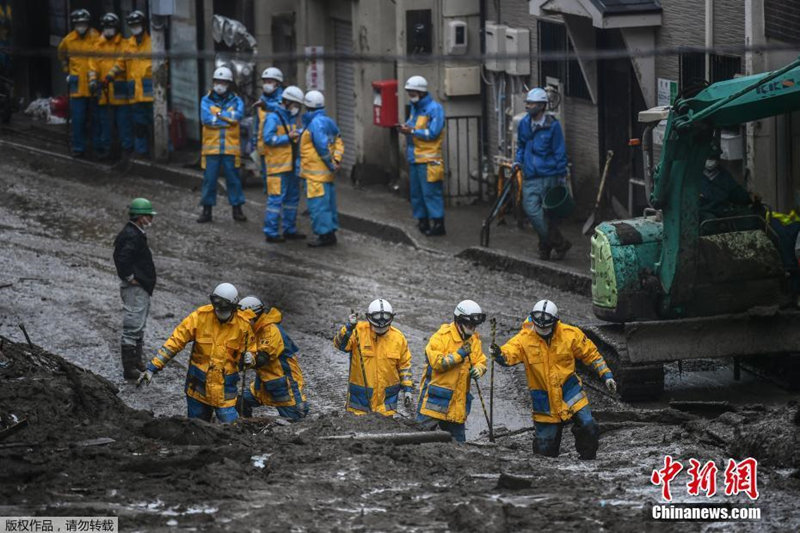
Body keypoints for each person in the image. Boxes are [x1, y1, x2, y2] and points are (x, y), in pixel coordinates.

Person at [490, 299, 616, 459]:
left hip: (570, 392)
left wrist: (606, 375)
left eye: (547, 327)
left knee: (588, 427)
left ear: (555, 323)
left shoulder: (570, 335)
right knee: (545, 451)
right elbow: (509, 353)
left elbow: (591, 354)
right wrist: (499, 354)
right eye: (539, 327)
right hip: (544, 400)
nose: (542, 330)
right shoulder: (524, 339)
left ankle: (588, 459)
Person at [137, 283, 257, 424]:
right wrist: (152, 367)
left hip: (224, 392)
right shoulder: (200, 317)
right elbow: (175, 341)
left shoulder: (243, 326)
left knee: (231, 428)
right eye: (216, 306)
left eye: (223, 309)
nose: (218, 311)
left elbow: (250, 350)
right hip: (198, 388)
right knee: (196, 427)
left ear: (233, 307)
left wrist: (250, 357)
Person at [416, 300, 487, 442]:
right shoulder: (441, 337)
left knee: (459, 445)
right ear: (459, 321)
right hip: (434, 404)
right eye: (469, 324)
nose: (472, 328)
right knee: (419, 439)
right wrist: (459, 355)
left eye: (474, 325)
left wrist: (479, 370)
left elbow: (481, 361)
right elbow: (437, 363)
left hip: (457, 406)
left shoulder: (474, 341)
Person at [514, 88, 571, 260]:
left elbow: (559, 151)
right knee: (531, 210)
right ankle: (559, 242)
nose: (527, 106)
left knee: (548, 215)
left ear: (541, 106)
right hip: (530, 175)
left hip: (549, 175)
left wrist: (562, 175)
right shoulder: (524, 123)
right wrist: (518, 161)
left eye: (531, 103)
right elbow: (521, 145)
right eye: (527, 103)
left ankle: (544, 248)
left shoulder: (553, 126)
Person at [333, 299, 413, 416]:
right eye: (376, 328)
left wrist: (408, 390)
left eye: (383, 329)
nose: (380, 331)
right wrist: (348, 328)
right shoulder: (357, 331)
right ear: (369, 319)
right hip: (360, 402)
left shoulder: (398, 338)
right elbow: (339, 345)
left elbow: (404, 366)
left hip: (386, 403)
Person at [239, 296, 309, 420]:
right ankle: (245, 429)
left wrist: (246, 362)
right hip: (263, 384)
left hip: (284, 385)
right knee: (239, 402)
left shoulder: (271, 331)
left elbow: (262, 358)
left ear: (254, 316)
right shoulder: (254, 330)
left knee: (296, 419)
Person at [113, 198, 156, 380]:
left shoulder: (134, 232)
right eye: (148, 216)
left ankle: (136, 360)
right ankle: (129, 367)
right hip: (135, 289)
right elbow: (122, 258)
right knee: (132, 325)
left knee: (139, 324)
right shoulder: (132, 235)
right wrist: (130, 277)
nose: (151, 219)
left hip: (141, 287)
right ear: (140, 217)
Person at [197, 66, 247, 223]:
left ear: (229, 84)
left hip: (230, 149)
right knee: (209, 180)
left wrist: (218, 115)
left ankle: (237, 209)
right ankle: (207, 210)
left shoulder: (237, 100)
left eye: (223, 82)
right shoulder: (206, 100)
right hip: (211, 148)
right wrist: (227, 119)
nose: (219, 85)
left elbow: (237, 117)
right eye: (217, 81)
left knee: (233, 180)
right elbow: (206, 120)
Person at [399, 75, 446, 237]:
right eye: (409, 92)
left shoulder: (435, 109)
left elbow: (433, 133)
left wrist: (411, 131)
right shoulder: (415, 108)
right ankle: (423, 220)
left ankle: (438, 223)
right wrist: (406, 127)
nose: (410, 95)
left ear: (421, 92)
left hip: (429, 160)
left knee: (431, 193)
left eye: (413, 92)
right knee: (417, 193)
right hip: (415, 157)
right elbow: (413, 125)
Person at [298, 90, 344, 247]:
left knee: (318, 207)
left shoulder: (314, 124)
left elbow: (321, 147)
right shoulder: (328, 121)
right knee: (328, 205)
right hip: (326, 175)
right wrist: (336, 160)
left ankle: (324, 236)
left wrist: (330, 163)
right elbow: (338, 141)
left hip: (315, 176)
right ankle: (330, 233)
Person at [262, 85, 305, 242]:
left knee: (292, 199)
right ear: (286, 102)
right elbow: (268, 139)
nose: (297, 108)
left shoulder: (291, 118)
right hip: (277, 166)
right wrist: (288, 137)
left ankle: (289, 229)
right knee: (276, 200)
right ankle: (271, 232)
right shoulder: (273, 118)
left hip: (291, 165)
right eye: (295, 105)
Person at [57, 9, 99, 158]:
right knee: (78, 118)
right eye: (79, 23)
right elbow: (61, 54)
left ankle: (97, 147)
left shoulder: (95, 37)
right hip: (76, 83)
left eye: (84, 23)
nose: (81, 26)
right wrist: (67, 70)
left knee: (96, 118)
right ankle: (78, 147)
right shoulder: (68, 40)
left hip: (92, 82)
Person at [88, 13, 130, 161]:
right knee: (105, 122)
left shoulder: (124, 44)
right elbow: (92, 65)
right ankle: (107, 151)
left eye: (111, 27)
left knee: (123, 122)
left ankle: (126, 151)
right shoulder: (97, 46)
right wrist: (93, 81)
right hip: (103, 90)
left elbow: (122, 62)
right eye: (106, 27)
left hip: (118, 88)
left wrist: (110, 76)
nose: (109, 30)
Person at [116, 10, 152, 159]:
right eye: (132, 25)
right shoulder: (128, 45)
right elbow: (120, 64)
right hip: (135, 91)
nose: (135, 28)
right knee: (139, 125)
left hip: (150, 90)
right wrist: (108, 77)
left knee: (155, 121)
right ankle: (141, 151)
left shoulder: (152, 43)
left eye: (137, 25)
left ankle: (163, 148)